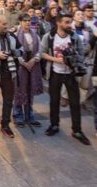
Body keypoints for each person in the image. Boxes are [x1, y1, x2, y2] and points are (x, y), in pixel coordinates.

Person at [40, 13, 91, 145]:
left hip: (71, 74)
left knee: (75, 103)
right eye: (67, 22)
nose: (69, 25)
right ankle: (54, 125)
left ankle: (77, 130)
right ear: (59, 23)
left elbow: (82, 52)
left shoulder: (74, 37)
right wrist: (56, 59)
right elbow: (42, 53)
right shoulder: (49, 36)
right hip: (55, 73)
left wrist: (73, 59)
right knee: (54, 101)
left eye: (70, 22)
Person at [13, 14, 43, 128]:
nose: (27, 23)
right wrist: (23, 62)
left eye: (29, 21)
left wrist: (34, 60)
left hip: (33, 66)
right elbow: (14, 50)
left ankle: (30, 115)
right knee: (19, 90)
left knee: (30, 90)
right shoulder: (15, 35)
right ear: (20, 22)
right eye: (25, 21)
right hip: (21, 66)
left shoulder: (35, 35)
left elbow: (40, 50)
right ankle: (18, 115)